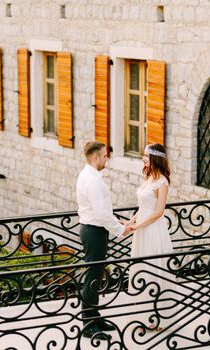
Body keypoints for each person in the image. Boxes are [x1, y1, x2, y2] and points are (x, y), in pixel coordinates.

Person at [76, 140, 131, 340]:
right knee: (92, 277)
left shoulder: (89, 176)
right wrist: (120, 229)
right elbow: (99, 214)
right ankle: (88, 325)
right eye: (104, 155)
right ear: (95, 157)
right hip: (94, 231)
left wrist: (117, 221)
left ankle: (95, 316)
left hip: (94, 229)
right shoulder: (92, 180)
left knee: (96, 276)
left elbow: (101, 210)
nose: (106, 158)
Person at [122, 143, 175, 332]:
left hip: (153, 231)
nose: (143, 158)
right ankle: (143, 315)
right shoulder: (149, 178)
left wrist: (138, 225)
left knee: (152, 271)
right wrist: (130, 222)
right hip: (141, 229)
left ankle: (157, 317)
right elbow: (142, 207)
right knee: (140, 270)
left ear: (155, 158)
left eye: (146, 155)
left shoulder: (162, 181)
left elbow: (159, 212)